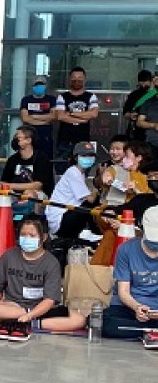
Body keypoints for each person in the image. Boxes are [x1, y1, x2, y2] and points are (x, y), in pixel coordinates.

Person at [0, 214, 86, 341]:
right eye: (23, 235)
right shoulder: (9, 256)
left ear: (44, 237)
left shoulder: (51, 263)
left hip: (42, 309)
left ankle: (24, 322)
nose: (27, 238)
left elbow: (49, 300)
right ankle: (18, 319)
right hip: (12, 307)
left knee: (79, 319)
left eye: (32, 235)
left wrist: (31, 314)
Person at [103, 206, 158, 347]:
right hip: (128, 308)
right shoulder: (126, 250)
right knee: (103, 322)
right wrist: (137, 307)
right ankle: (150, 332)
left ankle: (143, 331)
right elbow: (123, 291)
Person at [48, 142, 100, 238]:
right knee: (89, 204)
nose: (88, 158)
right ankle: (95, 232)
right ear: (76, 157)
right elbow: (90, 199)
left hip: (66, 215)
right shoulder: (73, 172)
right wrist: (97, 188)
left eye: (91, 156)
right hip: (60, 219)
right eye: (84, 155)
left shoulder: (79, 173)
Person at [1, 126, 55, 211]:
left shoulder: (41, 158)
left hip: (37, 193)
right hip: (14, 193)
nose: (15, 140)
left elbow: (37, 185)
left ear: (29, 140)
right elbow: (3, 182)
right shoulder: (12, 159)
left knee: (29, 194)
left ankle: (32, 217)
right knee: (2, 196)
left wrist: (11, 186)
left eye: (18, 137)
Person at [55, 66, 99, 162]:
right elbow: (60, 116)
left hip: (83, 140)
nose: (76, 80)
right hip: (65, 141)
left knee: (84, 167)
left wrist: (70, 113)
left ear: (84, 80)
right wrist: (83, 118)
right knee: (62, 167)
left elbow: (94, 114)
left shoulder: (91, 96)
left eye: (79, 78)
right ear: (69, 79)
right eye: (74, 78)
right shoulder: (62, 97)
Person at [20, 75, 57, 158]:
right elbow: (25, 118)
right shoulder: (26, 100)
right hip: (30, 135)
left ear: (45, 86)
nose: (39, 86)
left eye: (41, 84)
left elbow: (54, 116)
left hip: (46, 135)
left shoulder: (51, 99)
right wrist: (45, 120)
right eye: (36, 84)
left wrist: (33, 116)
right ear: (32, 86)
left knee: (46, 159)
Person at [125, 69, 154, 143]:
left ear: (151, 82)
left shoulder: (154, 95)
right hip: (136, 130)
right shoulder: (133, 95)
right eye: (142, 83)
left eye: (146, 83)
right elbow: (125, 112)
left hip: (151, 131)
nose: (143, 85)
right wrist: (130, 115)